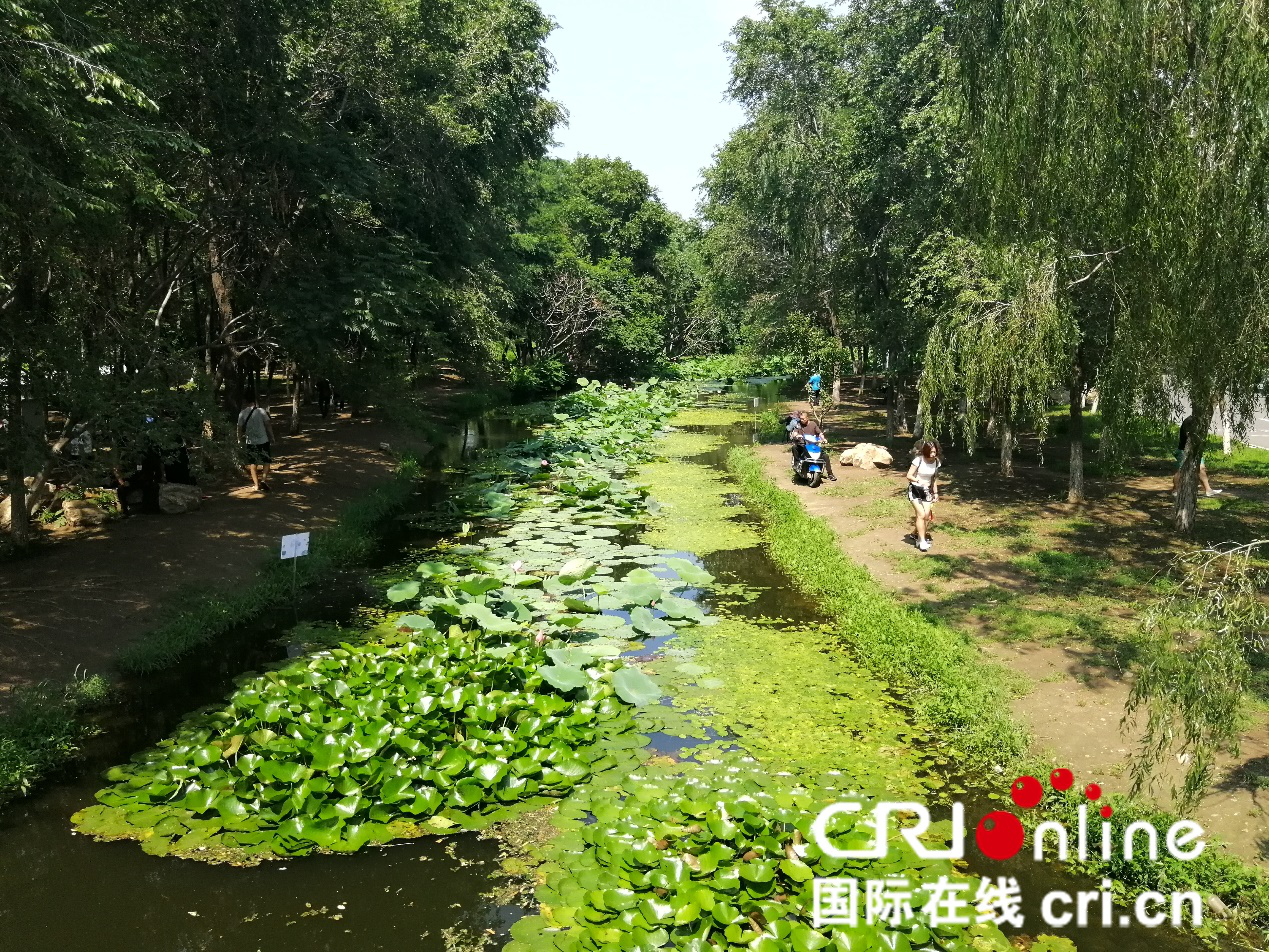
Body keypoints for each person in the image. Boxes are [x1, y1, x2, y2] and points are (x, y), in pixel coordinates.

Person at [1172, 415, 1222, 498]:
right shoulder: (1190, 421)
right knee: (1181, 470)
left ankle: (1208, 490)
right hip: (1183, 450)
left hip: (1196, 451)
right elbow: (1189, 436)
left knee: (1201, 468)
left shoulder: (1198, 421)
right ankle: (1175, 490)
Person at [906, 440, 942, 552]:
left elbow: (934, 479)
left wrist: (935, 493)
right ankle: (921, 541)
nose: (933, 454)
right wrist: (917, 480)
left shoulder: (936, 462)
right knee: (921, 514)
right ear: (925, 451)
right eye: (931, 452)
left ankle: (914, 534)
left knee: (926, 516)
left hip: (926, 491)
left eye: (935, 452)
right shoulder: (919, 460)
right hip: (915, 489)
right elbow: (909, 475)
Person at [237, 397, 276, 493]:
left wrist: (239, 439)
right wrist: (272, 436)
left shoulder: (242, 413)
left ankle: (256, 485)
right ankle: (263, 480)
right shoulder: (261, 411)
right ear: (254, 402)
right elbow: (268, 424)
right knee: (266, 461)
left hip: (250, 441)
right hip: (263, 440)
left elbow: (239, 427)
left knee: (253, 463)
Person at [792, 411, 837, 481]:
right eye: (800, 419)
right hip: (802, 444)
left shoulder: (813, 424)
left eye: (803, 419)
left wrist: (823, 439)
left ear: (807, 418)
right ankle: (796, 463)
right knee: (795, 447)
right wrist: (797, 435)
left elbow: (820, 433)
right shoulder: (798, 425)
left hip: (813, 445)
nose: (802, 420)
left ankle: (830, 474)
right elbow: (795, 432)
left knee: (825, 456)